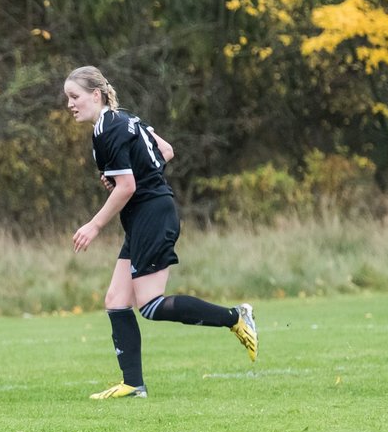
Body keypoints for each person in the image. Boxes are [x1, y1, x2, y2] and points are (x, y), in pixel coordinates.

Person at [63, 66, 257, 399]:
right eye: (67, 98)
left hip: (152, 215)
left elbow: (126, 187)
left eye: (74, 97)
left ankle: (235, 317)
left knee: (150, 305)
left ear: (95, 95)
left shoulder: (107, 129)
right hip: (145, 215)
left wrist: (94, 224)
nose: (69, 104)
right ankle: (133, 384)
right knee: (116, 301)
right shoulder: (125, 119)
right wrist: (134, 176)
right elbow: (164, 151)